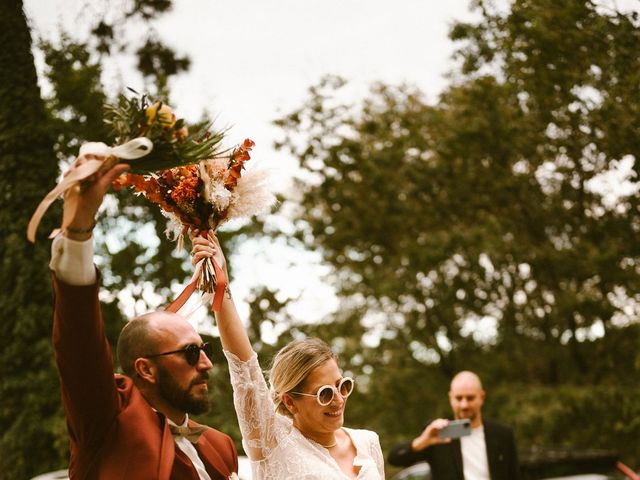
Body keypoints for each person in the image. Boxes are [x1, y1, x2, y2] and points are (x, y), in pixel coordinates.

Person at [49, 156, 238, 479]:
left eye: (203, 349)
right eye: (191, 353)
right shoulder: (109, 421)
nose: (206, 363)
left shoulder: (220, 445)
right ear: (145, 369)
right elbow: (79, 346)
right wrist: (80, 227)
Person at [190, 233, 385, 480]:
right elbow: (244, 369)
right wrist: (221, 283)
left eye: (342, 386)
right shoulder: (272, 442)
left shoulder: (368, 442)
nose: (338, 400)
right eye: (325, 393)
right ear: (290, 402)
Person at [387, 371, 520, 480]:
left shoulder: (502, 434)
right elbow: (394, 458)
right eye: (459, 398)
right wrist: (423, 441)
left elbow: (514, 475)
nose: (464, 405)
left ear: (482, 397)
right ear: (450, 398)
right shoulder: (438, 433)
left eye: (470, 398)